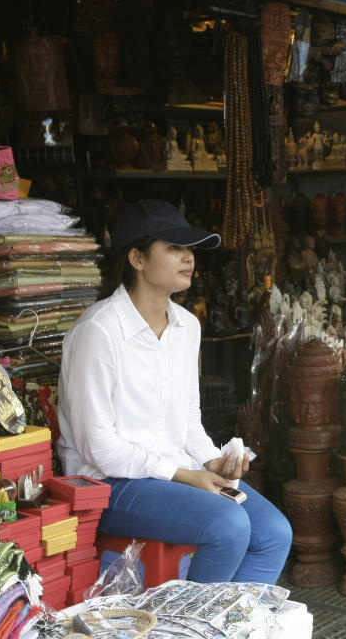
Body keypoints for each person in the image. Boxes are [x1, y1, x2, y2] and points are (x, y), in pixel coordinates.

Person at [57, 200, 292, 584]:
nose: (189, 259)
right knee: (228, 526)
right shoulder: (98, 331)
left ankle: (230, 623)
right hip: (109, 484)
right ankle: (191, 624)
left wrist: (212, 462)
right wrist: (182, 474)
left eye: (190, 249)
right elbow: (96, 445)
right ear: (137, 258)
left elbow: (186, 421)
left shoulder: (186, 326)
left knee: (274, 534)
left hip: (170, 471)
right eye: (174, 248)